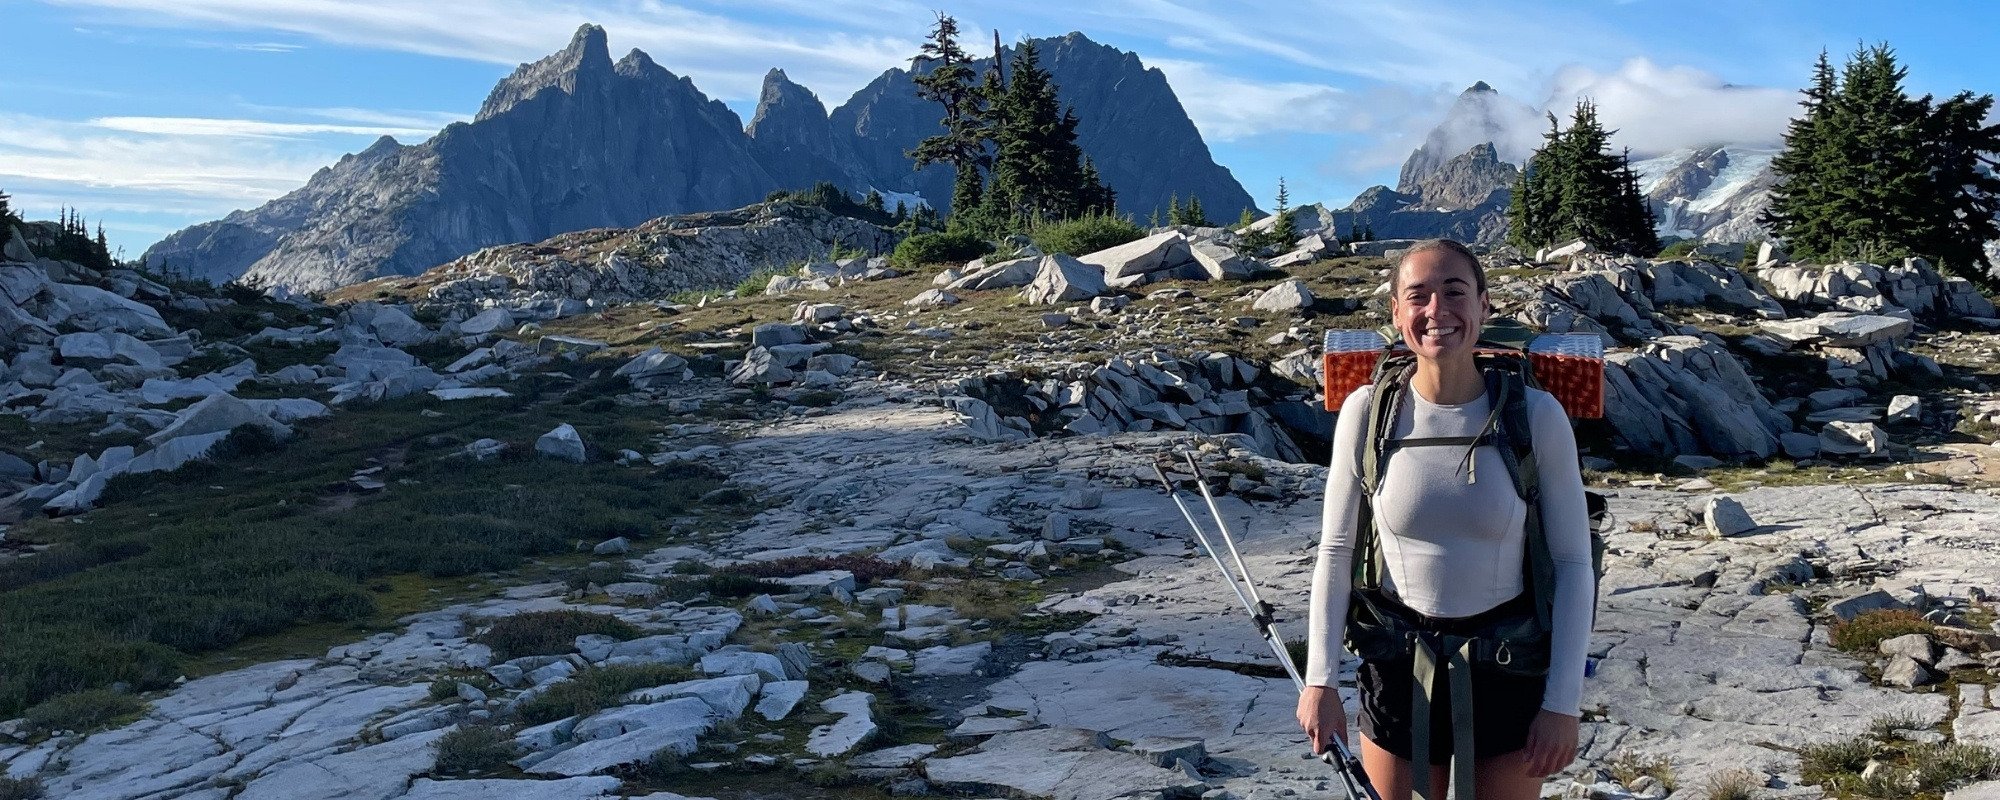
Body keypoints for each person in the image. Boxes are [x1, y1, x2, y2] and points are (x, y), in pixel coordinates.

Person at [1294, 239, 1594, 800]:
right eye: (1419, 296)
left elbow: (1576, 564)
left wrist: (1562, 705)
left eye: (1455, 293)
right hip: (1395, 662)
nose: (1437, 311)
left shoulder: (1537, 416)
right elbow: (1335, 553)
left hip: (1510, 667)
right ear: (1397, 312)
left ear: (1483, 305)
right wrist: (1320, 681)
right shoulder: (1366, 412)